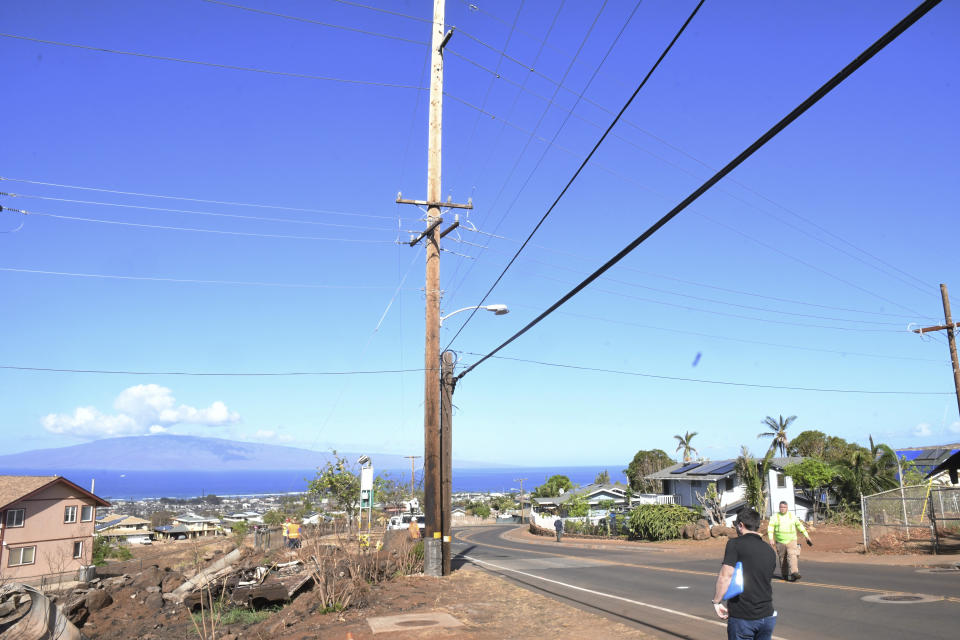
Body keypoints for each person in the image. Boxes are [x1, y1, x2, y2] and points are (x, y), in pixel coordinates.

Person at [713, 508, 777, 640]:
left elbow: (726, 576)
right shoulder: (769, 550)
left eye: (736, 524)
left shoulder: (735, 544)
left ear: (741, 525)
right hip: (767, 616)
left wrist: (717, 601)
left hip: (743, 617)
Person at [767, 501, 812, 582]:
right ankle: (784, 574)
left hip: (792, 540)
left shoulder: (792, 516)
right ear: (779, 508)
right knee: (782, 558)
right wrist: (771, 538)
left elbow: (799, 526)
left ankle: (794, 572)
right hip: (780, 541)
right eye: (781, 507)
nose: (782, 509)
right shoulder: (775, 517)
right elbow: (770, 527)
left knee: (792, 555)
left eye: (784, 507)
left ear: (787, 508)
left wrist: (807, 536)